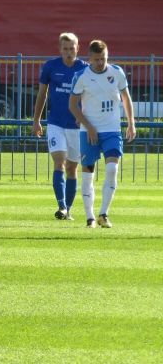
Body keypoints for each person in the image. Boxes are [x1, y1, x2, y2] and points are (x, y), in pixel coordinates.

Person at [68, 39, 136, 228]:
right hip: (88, 131)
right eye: (97, 59)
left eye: (103, 59)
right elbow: (72, 105)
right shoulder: (81, 76)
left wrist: (131, 123)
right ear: (90, 58)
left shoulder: (117, 72)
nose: (100, 63)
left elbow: (126, 98)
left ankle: (103, 214)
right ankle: (90, 218)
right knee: (88, 173)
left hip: (112, 130)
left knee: (112, 169)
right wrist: (88, 126)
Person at [32, 32, 88, 220]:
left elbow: (89, 97)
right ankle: (62, 206)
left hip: (76, 127)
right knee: (59, 162)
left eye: (72, 48)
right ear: (60, 49)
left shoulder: (84, 69)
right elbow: (42, 94)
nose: (69, 52)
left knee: (73, 169)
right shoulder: (51, 66)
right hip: (56, 123)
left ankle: (69, 209)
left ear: (78, 48)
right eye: (65, 48)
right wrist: (36, 120)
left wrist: (85, 118)